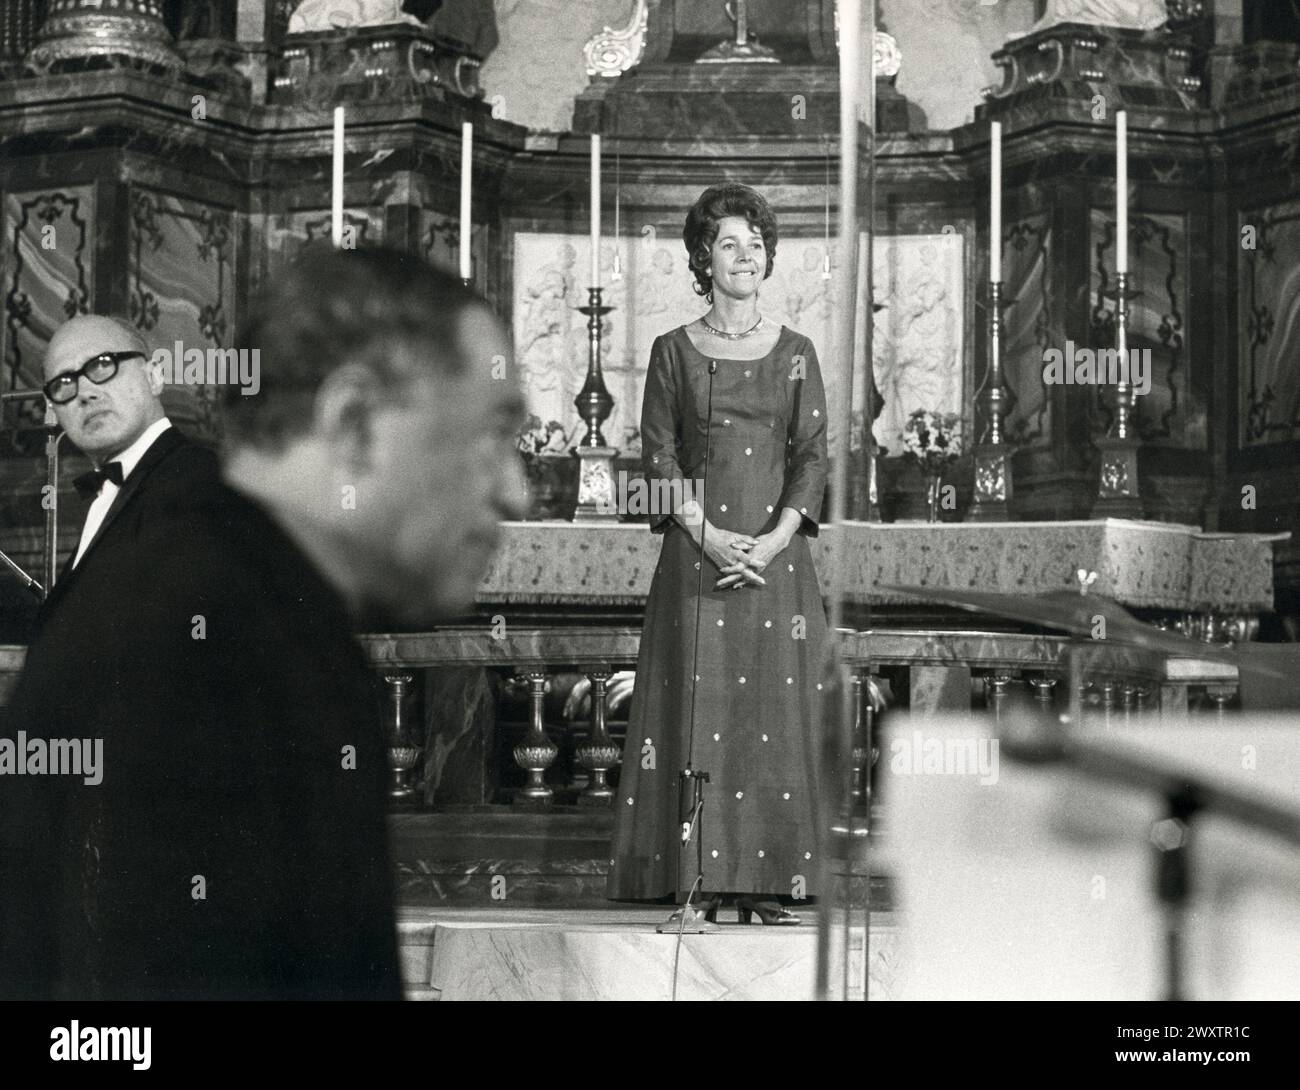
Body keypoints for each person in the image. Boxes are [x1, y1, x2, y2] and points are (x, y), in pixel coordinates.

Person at [0, 248, 528, 999]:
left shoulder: (237, 584)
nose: (517, 492)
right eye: (492, 435)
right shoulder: (234, 633)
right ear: (351, 421)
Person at [606, 183, 834, 926]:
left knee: (771, 711)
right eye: (730, 244)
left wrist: (768, 542)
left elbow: (812, 456)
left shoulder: (798, 352)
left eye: (757, 244)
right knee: (698, 709)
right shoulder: (672, 350)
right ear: (704, 258)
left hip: (775, 564)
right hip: (696, 554)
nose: (747, 256)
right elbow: (659, 455)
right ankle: (695, 876)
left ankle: (770, 884)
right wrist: (706, 535)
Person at [32, 314, 219, 634]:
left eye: (102, 365)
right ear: (54, 410)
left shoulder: (203, 482)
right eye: (64, 383)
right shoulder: (108, 493)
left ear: (154, 377)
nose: (84, 392)